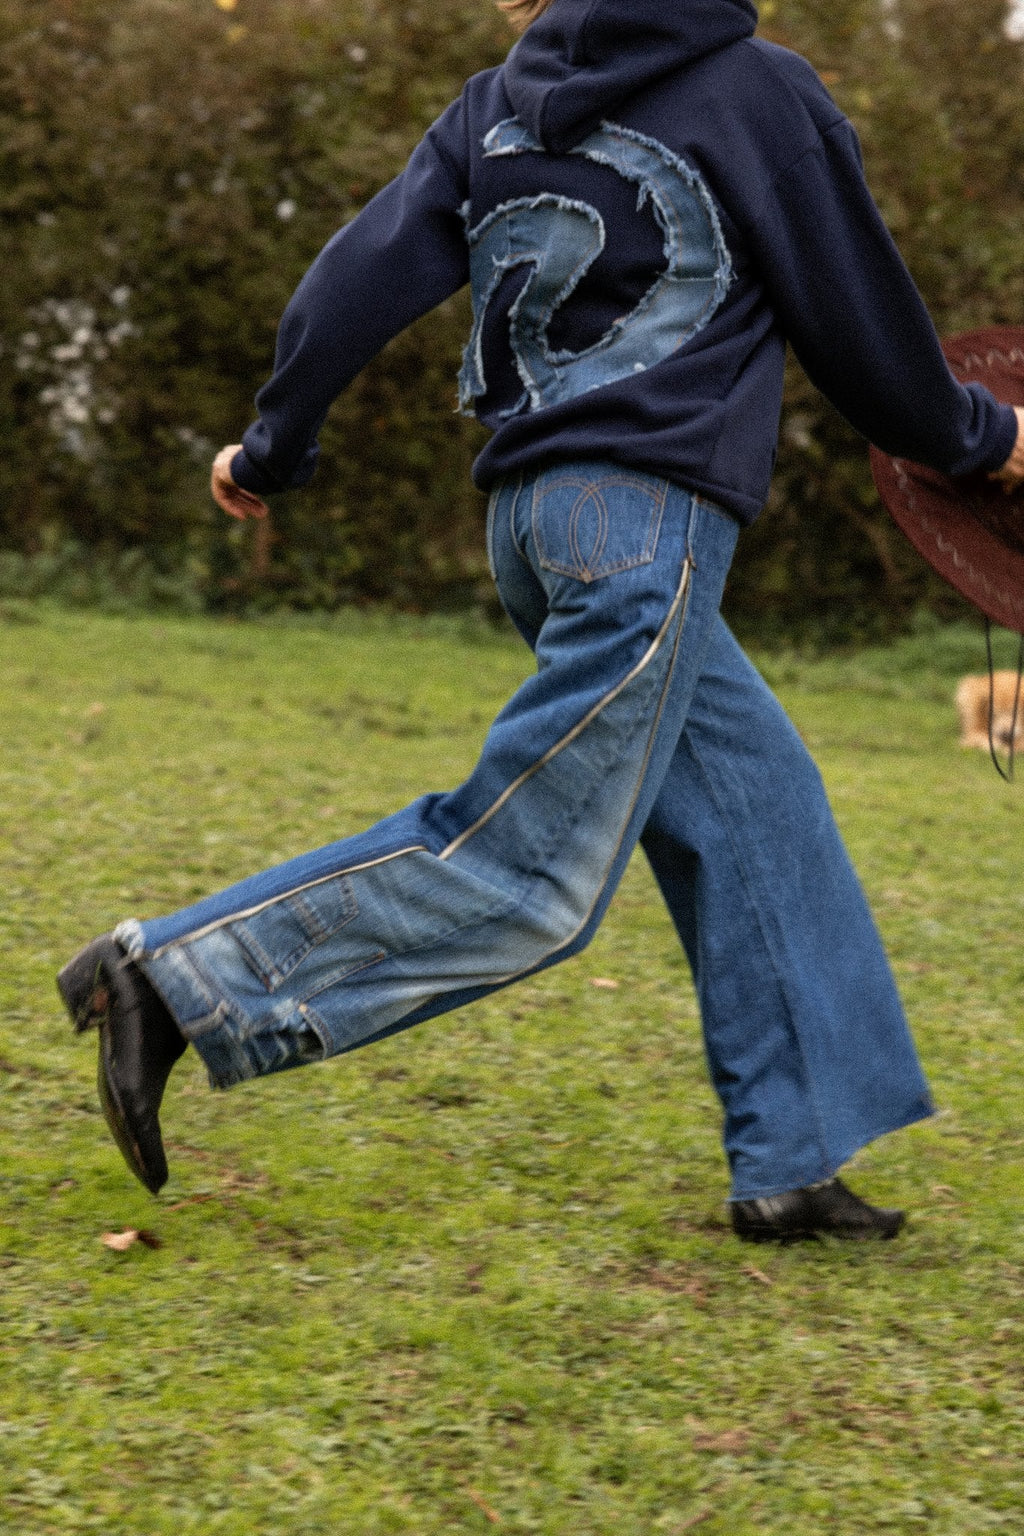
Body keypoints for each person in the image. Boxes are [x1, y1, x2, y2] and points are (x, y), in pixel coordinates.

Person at [59, 0, 1024, 1240]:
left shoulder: (494, 106)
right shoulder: (759, 95)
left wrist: (273, 442)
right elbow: (866, 331)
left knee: (756, 807)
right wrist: (982, 439)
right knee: (532, 876)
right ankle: (171, 978)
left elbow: (357, 275)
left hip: (532, 520)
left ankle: (791, 1158)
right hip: (642, 528)